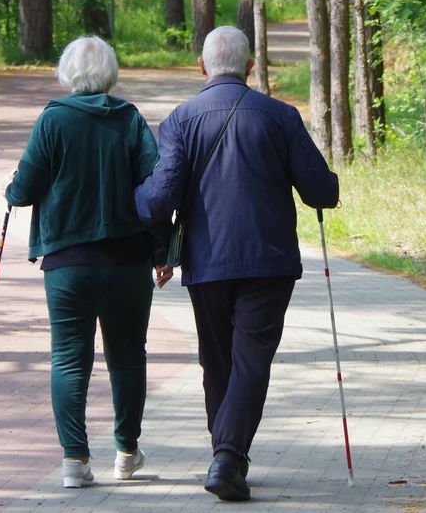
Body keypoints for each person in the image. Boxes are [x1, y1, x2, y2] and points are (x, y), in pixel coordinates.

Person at [133, 26, 339, 501]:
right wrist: (328, 179)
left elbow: (158, 199)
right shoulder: (281, 116)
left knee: (218, 359)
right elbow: (320, 193)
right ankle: (228, 456)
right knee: (251, 359)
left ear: (203, 67)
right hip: (269, 261)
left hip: (207, 262)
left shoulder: (181, 120)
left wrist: (138, 202)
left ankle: (226, 453)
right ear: (249, 67)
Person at [2, 36, 173, 489]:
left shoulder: (52, 120)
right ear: (110, 73)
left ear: (67, 72)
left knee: (69, 360)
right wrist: (163, 250)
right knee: (128, 360)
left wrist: (11, 190)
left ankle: (74, 461)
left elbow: (23, 189)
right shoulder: (131, 119)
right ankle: (126, 453)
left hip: (68, 262)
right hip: (128, 260)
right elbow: (154, 192)